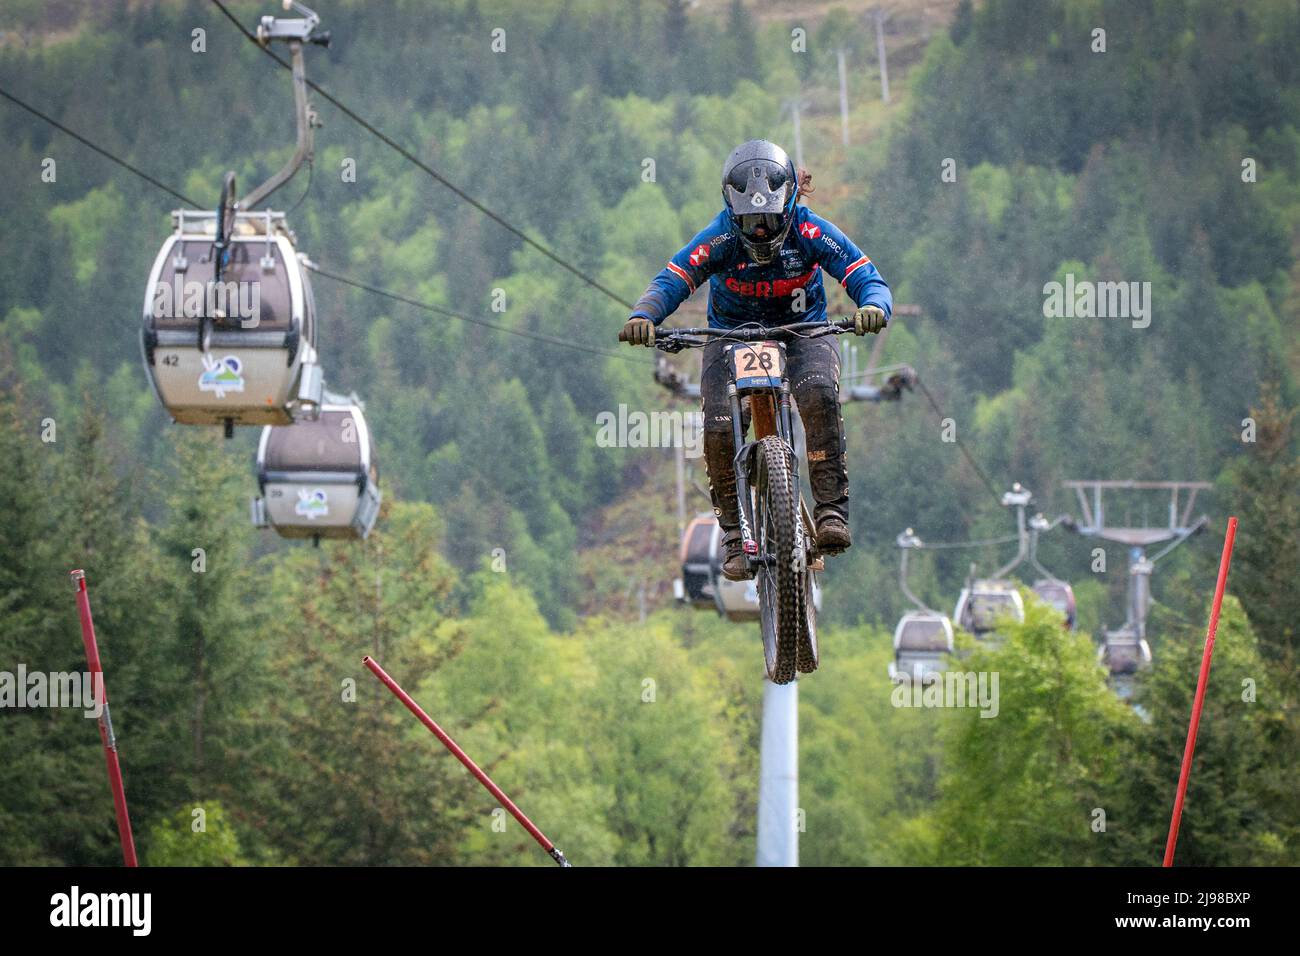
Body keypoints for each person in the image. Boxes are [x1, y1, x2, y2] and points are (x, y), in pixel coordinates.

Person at [621, 140, 891, 580]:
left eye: (769, 219)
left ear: (789, 206)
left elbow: (864, 274)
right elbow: (674, 276)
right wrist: (644, 315)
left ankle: (830, 512)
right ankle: (733, 535)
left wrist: (873, 306)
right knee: (717, 428)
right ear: (732, 212)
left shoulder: (810, 231)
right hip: (728, 336)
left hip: (803, 331)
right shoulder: (720, 237)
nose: (761, 231)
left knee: (820, 393)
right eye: (750, 221)